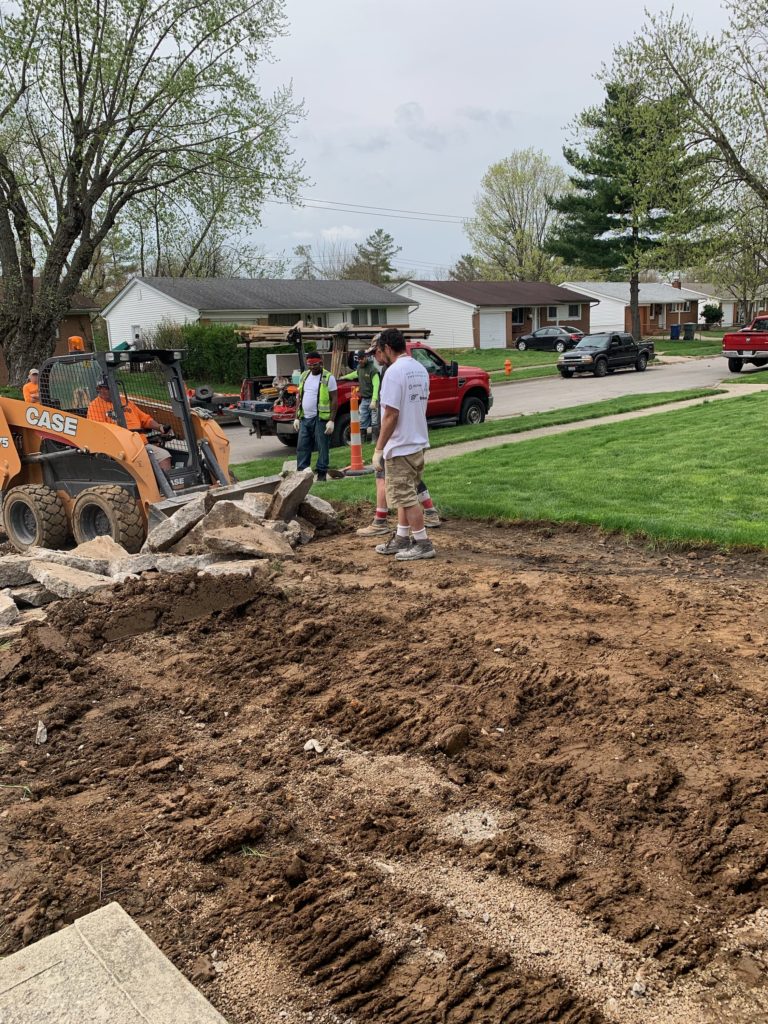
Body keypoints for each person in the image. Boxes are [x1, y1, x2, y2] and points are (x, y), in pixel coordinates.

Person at [371, 328, 435, 561]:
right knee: (403, 495)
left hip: (400, 446)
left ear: (387, 348)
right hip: (417, 441)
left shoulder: (394, 372)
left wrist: (379, 448)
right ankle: (401, 537)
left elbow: (391, 414)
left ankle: (423, 542)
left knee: (406, 498)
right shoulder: (419, 369)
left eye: (381, 350)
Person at [87, 377, 172, 472]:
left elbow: (145, 419)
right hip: (118, 449)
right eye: (108, 388)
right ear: (99, 389)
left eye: (113, 387)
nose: (111, 390)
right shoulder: (94, 406)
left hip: (139, 445)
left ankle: (164, 485)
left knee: (164, 456)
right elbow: (100, 431)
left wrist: (159, 427)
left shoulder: (126, 402)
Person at [294, 352, 338, 482]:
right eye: (310, 365)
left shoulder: (328, 377)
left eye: (315, 365)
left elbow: (334, 399)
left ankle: (322, 473)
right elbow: (299, 397)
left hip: (320, 418)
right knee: (302, 447)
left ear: (321, 363)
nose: (312, 367)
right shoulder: (304, 376)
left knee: (322, 446)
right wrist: (296, 416)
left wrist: (331, 420)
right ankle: (302, 474)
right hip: (305, 418)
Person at [340, 348, 381, 443]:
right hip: (364, 399)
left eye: (362, 359)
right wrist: (344, 377)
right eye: (359, 359)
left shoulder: (372, 370)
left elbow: (376, 385)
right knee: (362, 421)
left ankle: (374, 441)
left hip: (372, 399)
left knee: (374, 421)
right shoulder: (359, 368)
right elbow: (355, 374)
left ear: (366, 357)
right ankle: (363, 441)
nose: (360, 361)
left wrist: (374, 400)